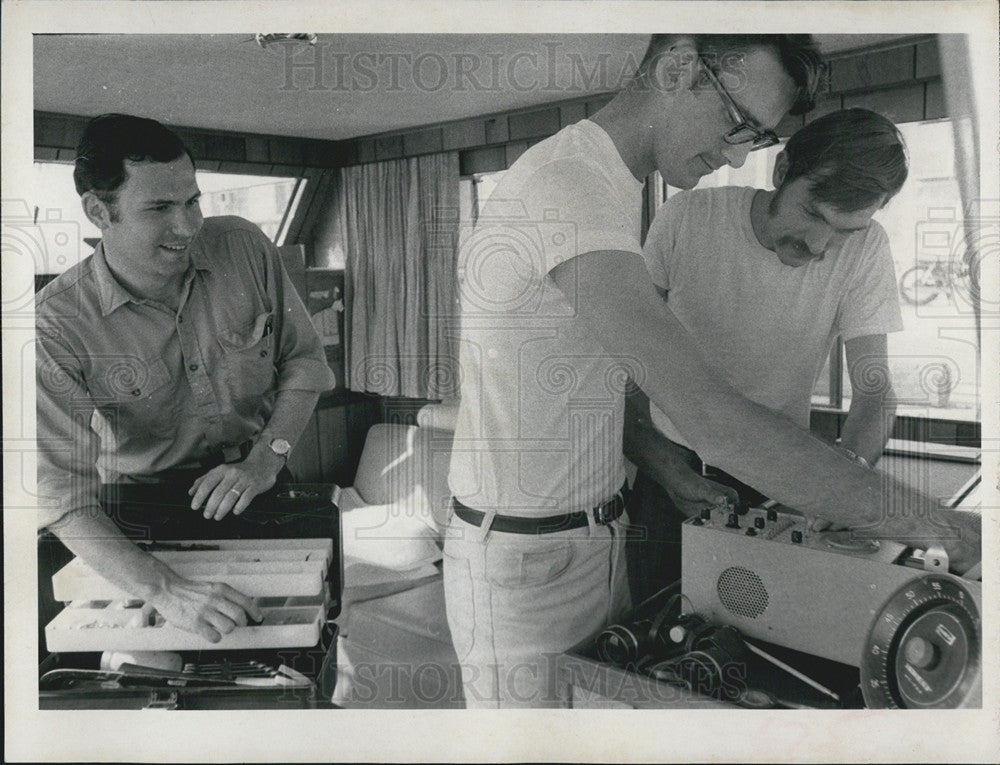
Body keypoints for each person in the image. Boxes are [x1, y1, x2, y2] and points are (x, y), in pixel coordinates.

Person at [445, 33, 980, 709]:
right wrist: (948, 528)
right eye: (735, 123)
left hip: (594, 538)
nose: (735, 154)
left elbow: (609, 392)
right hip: (527, 559)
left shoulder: (607, 187)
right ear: (674, 67)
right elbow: (711, 418)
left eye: (752, 137)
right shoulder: (570, 187)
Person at [35, 114, 336, 642]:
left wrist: (268, 457)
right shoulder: (52, 326)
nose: (188, 225)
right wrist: (163, 591)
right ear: (98, 211)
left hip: (263, 482)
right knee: (162, 673)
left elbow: (305, 363)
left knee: (294, 652)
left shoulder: (243, 246)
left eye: (192, 200)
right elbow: (61, 499)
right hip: (140, 518)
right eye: (159, 208)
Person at [624, 108, 909, 604]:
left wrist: (845, 476)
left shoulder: (867, 250)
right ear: (781, 172)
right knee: (661, 631)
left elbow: (875, 389)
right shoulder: (686, 218)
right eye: (814, 214)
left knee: (768, 640)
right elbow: (624, 356)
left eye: (846, 230)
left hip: (779, 477)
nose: (820, 246)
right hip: (669, 469)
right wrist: (658, 462)